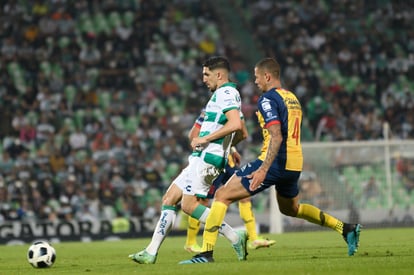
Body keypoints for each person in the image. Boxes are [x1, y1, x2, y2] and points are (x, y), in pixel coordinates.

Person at [179, 57, 361, 264]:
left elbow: (276, 136)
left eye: (257, 77)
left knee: (221, 195)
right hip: (294, 162)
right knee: (291, 209)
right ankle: (346, 228)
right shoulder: (291, 97)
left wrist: (264, 169)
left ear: (267, 76)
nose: (255, 82)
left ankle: (206, 253)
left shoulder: (267, 99)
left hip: (273, 161)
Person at [128, 56, 248, 264]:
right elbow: (240, 132)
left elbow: (236, 125)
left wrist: (208, 139)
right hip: (201, 157)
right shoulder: (222, 96)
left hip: (208, 158)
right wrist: (229, 146)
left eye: (206, 74)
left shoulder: (227, 93)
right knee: (169, 198)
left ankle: (235, 236)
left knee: (189, 206)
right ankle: (150, 252)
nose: (203, 79)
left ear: (219, 74)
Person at [184, 111, 276, 253]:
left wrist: (232, 149)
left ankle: (253, 238)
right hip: (212, 161)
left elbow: (231, 134)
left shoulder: (232, 109)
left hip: (228, 161)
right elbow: (193, 136)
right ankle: (190, 242)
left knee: (244, 195)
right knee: (202, 201)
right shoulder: (209, 110)